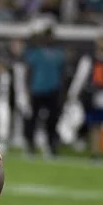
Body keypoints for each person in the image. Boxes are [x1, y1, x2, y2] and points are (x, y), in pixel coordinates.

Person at [19, 28, 66, 156]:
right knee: (32, 119)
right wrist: (27, 90)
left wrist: (62, 92)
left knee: (52, 121)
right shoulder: (35, 53)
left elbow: (62, 75)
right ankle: (30, 146)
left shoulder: (59, 54)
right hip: (37, 90)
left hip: (53, 91)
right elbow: (28, 73)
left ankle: (51, 146)